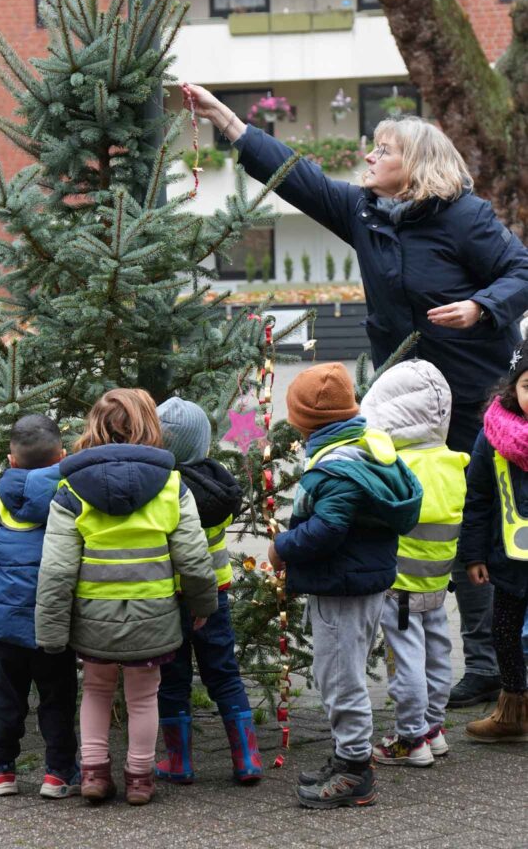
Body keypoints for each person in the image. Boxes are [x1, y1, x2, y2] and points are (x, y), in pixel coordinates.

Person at [182, 81, 528, 707]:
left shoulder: (465, 217)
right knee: (405, 508)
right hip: (401, 394)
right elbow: (298, 177)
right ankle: (421, 659)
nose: (369, 157)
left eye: (383, 149)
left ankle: (485, 666)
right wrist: (225, 119)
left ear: (415, 165)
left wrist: (481, 307)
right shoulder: (364, 213)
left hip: (474, 394)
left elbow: (521, 271)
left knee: (467, 517)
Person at [35, 388, 218, 806]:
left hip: (93, 617)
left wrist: (51, 631)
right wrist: (203, 604)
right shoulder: (171, 486)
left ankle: (94, 774)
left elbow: (57, 569)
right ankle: (140, 778)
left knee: (96, 689)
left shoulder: (71, 489)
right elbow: (193, 558)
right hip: (153, 615)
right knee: (144, 696)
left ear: (93, 429)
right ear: (150, 427)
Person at [267, 363, 422, 809]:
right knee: (338, 670)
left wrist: (282, 547)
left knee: (339, 677)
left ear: (306, 419)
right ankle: (345, 756)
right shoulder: (364, 447)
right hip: (360, 580)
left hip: (343, 586)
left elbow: (327, 529)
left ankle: (355, 770)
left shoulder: (337, 467)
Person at [0, 414, 80, 799]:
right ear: (62, 456)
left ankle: (1, 770)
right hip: (57, 622)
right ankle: (59, 773)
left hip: (6, 623)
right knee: (58, 698)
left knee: (6, 698)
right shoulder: (73, 499)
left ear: (11, 460)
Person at [361, 361, 470, 765]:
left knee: (404, 662)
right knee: (438, 654)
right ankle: (434, 728)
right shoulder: (453, 461)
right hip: (437, 584)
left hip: (400, 587)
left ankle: (410, 738)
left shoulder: (395, 464)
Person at [154, 397, 263, 784]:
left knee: (172, 678)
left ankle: (179, 762)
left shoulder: (163, 487)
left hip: (170, 598)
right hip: (214, 594)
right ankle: (247, 758)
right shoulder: (218, 484)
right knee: (224, 672)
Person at [458, 340, 528, 742]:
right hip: (509, 564)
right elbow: (478, 498)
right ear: (513, 388)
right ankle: (512, 711)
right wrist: (473, 555)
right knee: (503, 634)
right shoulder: (493, 436)